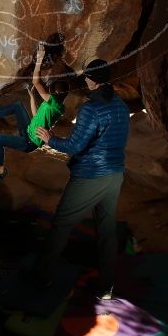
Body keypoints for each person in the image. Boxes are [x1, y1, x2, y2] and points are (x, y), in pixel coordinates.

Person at [30, 58, 130, 300]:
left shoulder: (91, 108)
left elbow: (75, 145)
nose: (84, 79)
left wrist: (49, 138)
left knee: (61, 225)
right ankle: (106, 287)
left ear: (91, 80)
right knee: (106, 230)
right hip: (115, 175)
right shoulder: (120, 105)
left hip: (90, 176)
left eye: (86, 76)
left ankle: (42, 277)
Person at [0, 43, 69, 185]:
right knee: (17, 106)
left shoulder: (53, 103)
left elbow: (36, 81)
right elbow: (36, 117)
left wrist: (39, 59)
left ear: (53, 94)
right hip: (29, 130)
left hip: (28, 142)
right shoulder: (58, 107)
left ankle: (0, 172)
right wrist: (32, 98)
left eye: (50, 90)